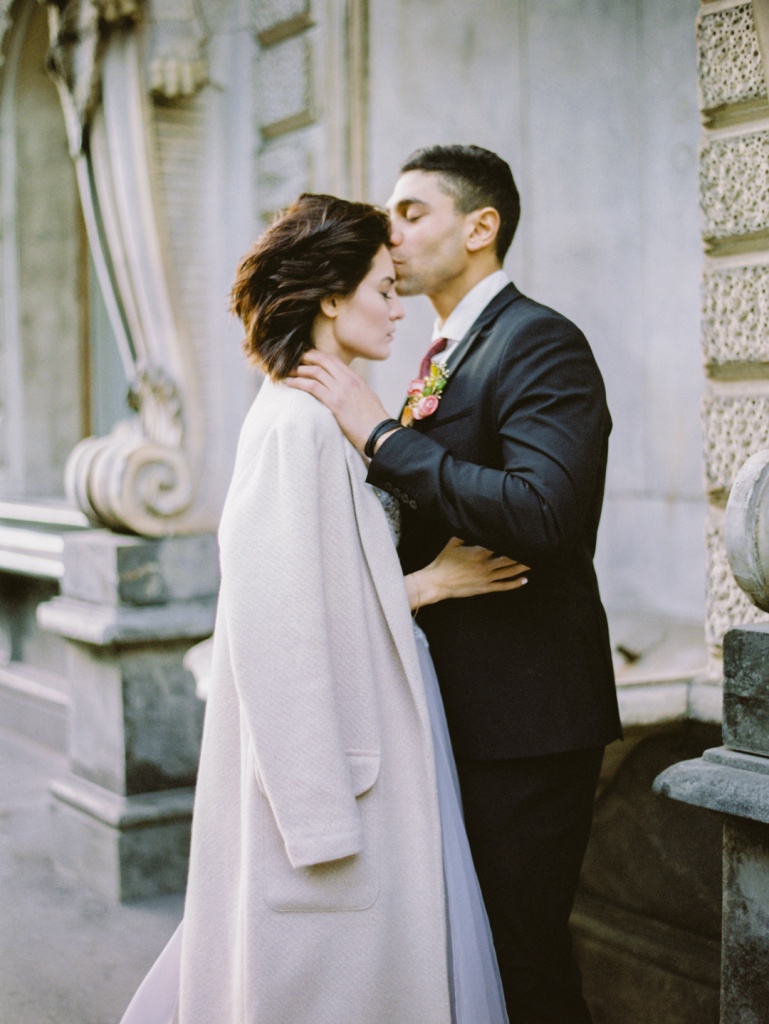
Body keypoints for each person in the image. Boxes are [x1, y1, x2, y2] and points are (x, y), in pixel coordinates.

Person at [119, 192, 529, 1024]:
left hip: (364, 759)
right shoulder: (292, 427)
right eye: (383, 289)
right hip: (333, 786)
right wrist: (318, 823)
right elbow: (275, 631)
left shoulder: (316, 416)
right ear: (332, 298)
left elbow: (325, 588)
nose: (396, 308)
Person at [287, 145, 623, 1024]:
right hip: (455, 712)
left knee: (522, 958)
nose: (389, 231)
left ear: (481, 227)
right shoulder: (443, 352)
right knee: (470, 961)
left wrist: (380, 436)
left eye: (410, 212)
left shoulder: (538, 340)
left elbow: (543, 513)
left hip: (525, 719)